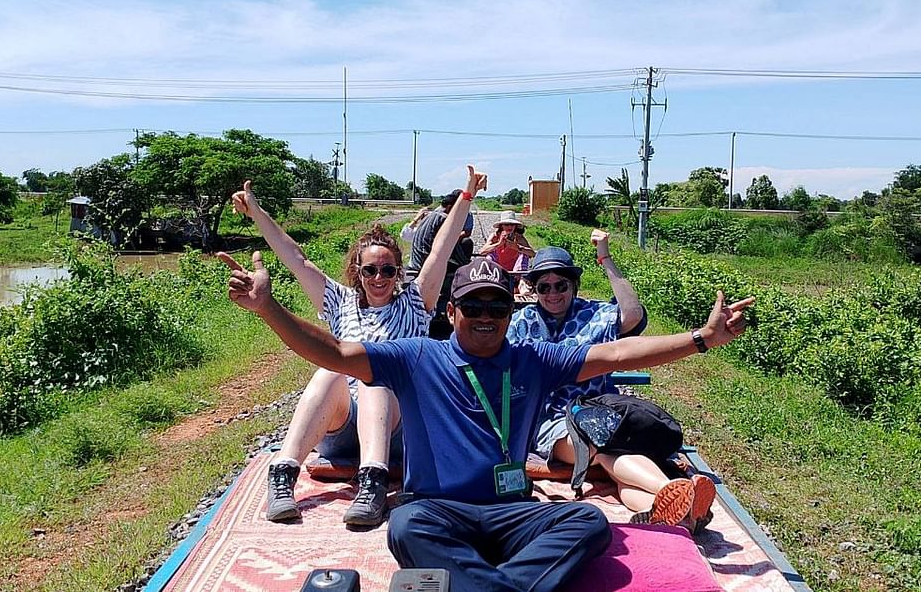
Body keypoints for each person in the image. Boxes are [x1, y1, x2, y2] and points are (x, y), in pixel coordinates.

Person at [221, 248, 753, 591]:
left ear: (507, 314)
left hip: (513, 513)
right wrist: (268, 306)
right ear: (450, 312)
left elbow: (616, 355)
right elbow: (336, 353)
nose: (484, 318)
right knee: (405, 525)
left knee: (588, 521)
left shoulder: (531, 358)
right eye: (472, 307)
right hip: (439, 512)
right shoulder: (415, 356)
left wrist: (702, 340)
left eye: (496, 309)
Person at [230, 166, 487, 527]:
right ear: (358, 271)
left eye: (388, 271)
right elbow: (295, 258)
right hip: (341, 427)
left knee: (376, 375)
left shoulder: (414, 303)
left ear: (399, 273)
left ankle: (373, 483)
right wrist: (257, 213)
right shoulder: (339, 301)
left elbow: (439, 254)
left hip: (397, 430)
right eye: (370, 271)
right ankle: (283, 475)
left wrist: (466, 197)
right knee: (330, 370)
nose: (379, 278)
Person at [508, 232, 718, 531]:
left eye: (561, 285)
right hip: (551, 420)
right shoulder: (522, 323)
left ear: (574, 285)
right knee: (602, 447)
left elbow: (631, 315)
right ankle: (670, 490)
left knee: (610, 455)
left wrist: (605, 257)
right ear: (535, 291)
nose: (553, 293)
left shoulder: (592, 313)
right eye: (544, 287)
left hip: (600, 411)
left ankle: (667, 509)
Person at [407, 189, 477, 339]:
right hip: (423, 266)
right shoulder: (443, 220)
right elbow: (454, 251)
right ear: (452, 207)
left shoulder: (431, 215)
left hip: (417, 263)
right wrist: (468, 268)